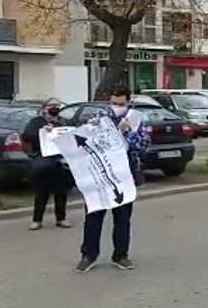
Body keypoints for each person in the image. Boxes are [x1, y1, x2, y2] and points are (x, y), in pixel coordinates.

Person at [76, 85, 150, 273]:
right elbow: (83, 139)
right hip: (100, 176)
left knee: (123, 218)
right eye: (114, 103)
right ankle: (88, 255)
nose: (117, 107)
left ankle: (121, 255)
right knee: (93, 216)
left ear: (129, 101)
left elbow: (143, 145)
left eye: (121, 104)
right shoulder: (100, 117)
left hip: (124, 175)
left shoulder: (138, 119)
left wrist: (127, 133)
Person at [22, 98, 74, 231]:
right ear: (45, 108)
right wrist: (42, 131)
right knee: (41, 192)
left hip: (60, 162)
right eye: (52, 105)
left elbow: (73, 135)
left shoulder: (63, 122)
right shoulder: (37, 122)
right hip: (43, 161)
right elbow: (27, 135)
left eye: (57, 106)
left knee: (61, 191)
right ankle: (37, 220)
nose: (55, 108)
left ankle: (61, 218)